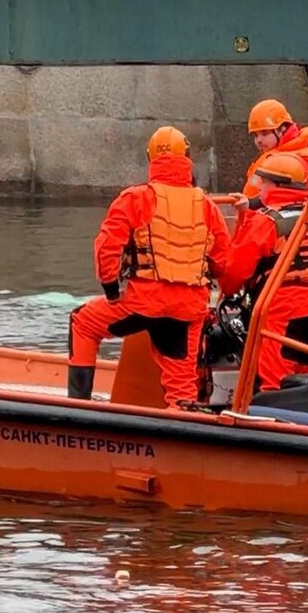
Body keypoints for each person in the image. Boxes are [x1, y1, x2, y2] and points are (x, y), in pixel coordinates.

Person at [67, 126, 232, 409]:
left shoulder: (135, 198)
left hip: (143, 302)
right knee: (181, 387)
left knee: (82, 322)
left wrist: (110, 290)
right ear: (188, 157)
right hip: (189, 310)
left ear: (150, 158)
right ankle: (181, 434)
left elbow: (107, 248)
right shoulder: (207, 207)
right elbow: (223, 263)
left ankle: (77, 409)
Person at [219, 153, 308, 392]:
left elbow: (236, 272)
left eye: (263, 184)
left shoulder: (266, 222)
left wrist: (226, 287)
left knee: (272, 383)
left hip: (281, 309)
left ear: (276, 185)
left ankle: (268, 423)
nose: (260, 191)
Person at [240, 98, 308, 200]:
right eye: (255, 135)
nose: (258, 140)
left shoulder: (296, 161)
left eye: (264, 133)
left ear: (282, 129)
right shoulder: (284, 155)